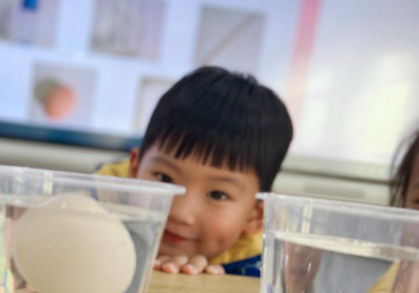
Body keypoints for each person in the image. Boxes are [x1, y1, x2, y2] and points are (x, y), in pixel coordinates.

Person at [98, 66, 293, 276]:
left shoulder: (266, 273)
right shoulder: (90, 214)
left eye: (217, 194)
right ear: (134, 170)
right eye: (165, 178)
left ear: (255, 217)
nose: (180, 213)